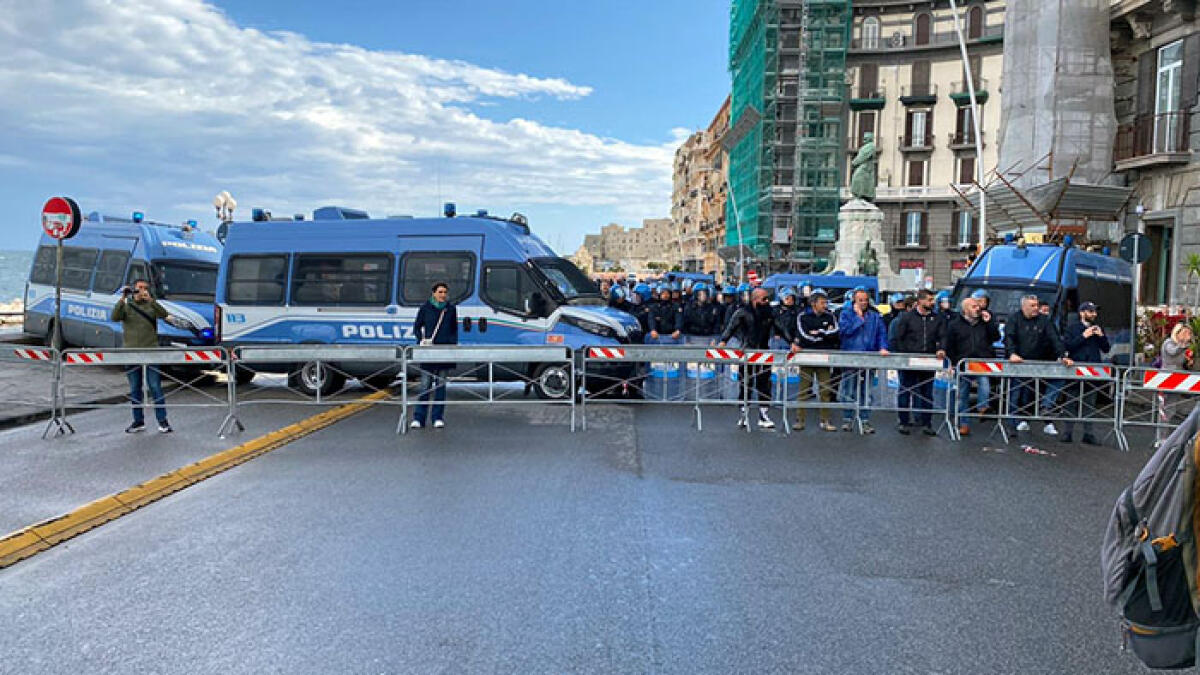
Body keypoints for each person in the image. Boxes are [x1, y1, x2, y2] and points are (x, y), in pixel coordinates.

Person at [112, 278, 175, 433]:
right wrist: (123, 298)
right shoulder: (127, 306)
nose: (142, 291)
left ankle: (163, 421)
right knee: (135, 388)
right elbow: (114, 316)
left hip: (151, 352)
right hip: (131, 353)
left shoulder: (151, 306)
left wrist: (152, 301)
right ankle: (138, 421)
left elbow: (165, 315)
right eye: (139, 288)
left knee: (155, 387)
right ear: (134, 289)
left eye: (145, 288)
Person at [1004, 294, 1073, 437]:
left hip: (1040, 362)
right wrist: (1011, 353)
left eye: (1037, 305)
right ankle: (1012, 425)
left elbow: (1055, 338)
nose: (1036, 308)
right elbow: (1009, 337)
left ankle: (1043, 412)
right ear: (1024, 307)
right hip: (1019, 363)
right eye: (1033, 306)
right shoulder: (1014, 319)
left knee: (1045, 387)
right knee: (1016, 394)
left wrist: (1063, 355)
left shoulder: (1044, 321)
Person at [719, 287, 779, 429]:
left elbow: (780, 327)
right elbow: (731, 327)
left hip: (764, 352)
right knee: (746, 383)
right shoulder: (742, 312)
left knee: (764, 384)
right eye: (764, 299)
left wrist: (793, 342)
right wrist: (723, 341)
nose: (767, 301)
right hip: (747, 352)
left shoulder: (770, 313)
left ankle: (763, 415)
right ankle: (743, 414)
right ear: (755, 299)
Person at [940, 296, 1001, 436]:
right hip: (963, 363)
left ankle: (983, 407)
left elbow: (996, 337)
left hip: (981, 361)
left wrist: (990, 322)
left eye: (978, 306)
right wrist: (952, 363)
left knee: (984, 383)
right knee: (963, 395)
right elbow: (950, 345)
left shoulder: (984, 323)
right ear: (965, 309)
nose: (978, 308)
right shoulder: (955, 325)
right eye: (974, 306)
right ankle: (964, 423)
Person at [890, 289, 945, 436]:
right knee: (906, 390)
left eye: (933, 300)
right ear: (920, 301)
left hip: (929, 361)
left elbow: (943, 336)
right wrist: (905, 354)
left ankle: (927, 422)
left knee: (927, 393)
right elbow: (899, 338)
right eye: (929, 300)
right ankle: (903, 421)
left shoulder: (937, 318)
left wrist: (941, 349)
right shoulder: (907, 317)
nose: (932, 303)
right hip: (910, 360)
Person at [838, 288, 890, 433]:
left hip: (869, 357)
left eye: (866, 300)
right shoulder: (846, 314)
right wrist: (858, 319)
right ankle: (848, 419)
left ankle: (865, 419)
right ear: (854, 300)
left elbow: (881, 334)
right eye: (860, 300)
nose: (864, 303)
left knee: (866, 391)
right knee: (848, 389)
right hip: (851, 356)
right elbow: (844, 331)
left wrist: (883, 347)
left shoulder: (875, 316)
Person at [410, 282, 458, 430]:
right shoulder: (425, 308)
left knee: (440, 386)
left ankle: (437, 417)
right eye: (440, 292)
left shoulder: (450, 309)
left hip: (444, 352)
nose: (443, 295)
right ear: (433, 293)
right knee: (425, 385)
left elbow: (454, 329)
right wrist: (421, 340)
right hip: (428, 352)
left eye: (445, 292)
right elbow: (417, 326)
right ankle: (419, 418)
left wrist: (451, 345)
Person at [790, 288, 840, 432]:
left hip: (824, 358)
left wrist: (820, 333)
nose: (825, 305)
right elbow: (804, 336)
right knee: (804, 390)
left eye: (826, 302)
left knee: (825, 390)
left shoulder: (830, 316)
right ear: (813, 304)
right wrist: (823, 335)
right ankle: (800, 420)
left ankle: (825, 420)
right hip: (807, 357)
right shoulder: (803, 316)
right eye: (822, 303)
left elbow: (835, 332)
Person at [1061, 301, 1110, 445]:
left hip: (1092, 370)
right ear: (1082, 313)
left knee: (1089, 402)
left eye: (1095, 311)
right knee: (1071, 400)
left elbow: (1106, 349)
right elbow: (1068, 345)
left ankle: (1088, 434)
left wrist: (1101, 336)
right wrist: (1084, 336)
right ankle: (1067, 432)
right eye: (1091, 311)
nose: (1094, 314)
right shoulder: (1073, 328)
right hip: (1075, 369)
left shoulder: (1098, 329)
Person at [1161, 323, 1195, 422]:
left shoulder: (1183, 348)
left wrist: (1189, 361)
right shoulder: (1169, 343)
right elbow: (1173, 352)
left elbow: (1182, 362)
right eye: (1185, 333)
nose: (1187, 336)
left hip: (1178, 377)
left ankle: (1169, 430)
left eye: (1189, 333)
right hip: (1167, 377)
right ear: (1177, 333)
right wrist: (1183, 344)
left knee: (1172, 406)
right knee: (1166, 406)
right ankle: (1163, 432)